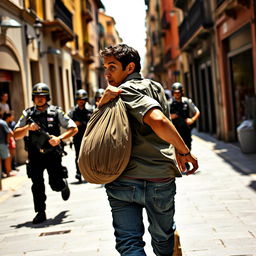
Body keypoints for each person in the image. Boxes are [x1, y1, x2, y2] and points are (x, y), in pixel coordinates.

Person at [98, 44, 198, 256]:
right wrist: (181, 152)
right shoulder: (156, 87)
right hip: (158, 178)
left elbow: (158, 120)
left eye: (112, 67)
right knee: (163, 240)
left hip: (123, 179)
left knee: (129, 243)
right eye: (105, 67)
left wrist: (184, 150)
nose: (106, 73)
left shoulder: (126, 90)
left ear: (129, 67)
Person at [14, 83, 78, 224]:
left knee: (54, 184)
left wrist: (59, 138)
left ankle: (62, 185)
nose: (40, 99)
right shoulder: (27, 114)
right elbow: (16, 134)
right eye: (37, 97)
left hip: (52, 155)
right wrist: (27, 128)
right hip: (35, 155)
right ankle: (40, 212)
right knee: (37, 184)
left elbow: (73, 128)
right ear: (33, 98)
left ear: (47, 97)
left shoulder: (56, 112)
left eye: (42, 96)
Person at [69, 89, 92, 182]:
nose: (80, 101)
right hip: (77, 137)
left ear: (85, 100)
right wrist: (73, 123)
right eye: (79, 100)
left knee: (88, 156)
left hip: (88, 137)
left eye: (82, 99)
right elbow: (68, 122)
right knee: (78, 156)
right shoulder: (73, 112)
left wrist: (81, 123)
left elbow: (93, 122)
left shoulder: (90, 110)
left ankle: (88, 173)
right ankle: (78, 173)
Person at [169, 82, 200, 151]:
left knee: (187, 148)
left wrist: (192, 120)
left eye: (178, 92)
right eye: (175, 92)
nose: (177, 94)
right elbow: (164, 116)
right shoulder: (169, 103)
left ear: (181, 92)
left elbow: (197, 112)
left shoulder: (186, 101)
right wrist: (171, 116)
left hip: (185, 129)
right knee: (176, 150)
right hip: (175, 131)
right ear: (172, 93)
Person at [0, 110, 15, 177]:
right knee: (7, 157)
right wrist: (7, 141)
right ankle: (8, 173)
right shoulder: (2, 122)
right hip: (3, 143)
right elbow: (10, 133)